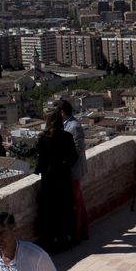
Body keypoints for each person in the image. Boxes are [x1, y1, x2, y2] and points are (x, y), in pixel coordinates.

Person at [33, 111, 78, 249]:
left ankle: (52, 241)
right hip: (63, 179)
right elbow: (74, 157)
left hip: (48, 180)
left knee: (50, 211)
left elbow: (32, 152)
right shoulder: (67, 136)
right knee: (65, 209)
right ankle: (67, 239)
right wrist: (64, 165)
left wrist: (12, 148)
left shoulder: (43, 138)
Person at [59, 100, 91, 242]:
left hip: (74, 170)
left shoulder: (74, 127)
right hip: (72, 170)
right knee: (79, 200)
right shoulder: (67, 125)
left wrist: (65, 163)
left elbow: (78, 150)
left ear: (62, 112)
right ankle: (84, 230)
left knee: (76, 202)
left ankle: (78, 233)